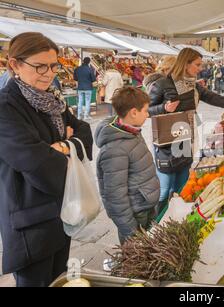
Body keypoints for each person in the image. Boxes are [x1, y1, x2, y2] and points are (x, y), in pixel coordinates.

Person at [0, 32, 93, 287]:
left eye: (53, 65)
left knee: (58, 279)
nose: (48, 72)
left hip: (61, 211)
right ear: (15, 65)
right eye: (39, 66)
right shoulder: (6, 106)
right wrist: (67, 150)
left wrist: (63, 146)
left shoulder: (54, 100)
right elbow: (35, 162)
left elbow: (84, 131)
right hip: (30, 221)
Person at [149, 48, 224, 204]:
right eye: (197, 64)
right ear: (185, 64)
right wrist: (163, 108)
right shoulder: (162, 84)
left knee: (181, 188)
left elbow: (221, 101)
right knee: (164, 190)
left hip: (186, 140)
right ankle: (153, 224)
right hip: (166, 143)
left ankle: (175, 216)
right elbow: (145, 110)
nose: (200, 68)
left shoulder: (195, 87)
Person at [95, 87, 160, 244]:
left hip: (144, 205)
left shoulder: (130, 131)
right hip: (135, 214)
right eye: (145, 110)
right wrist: (130, 231)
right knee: (136, 259)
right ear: (133, 112)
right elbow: (114, 196)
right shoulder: (115, 149)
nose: (148, 114)